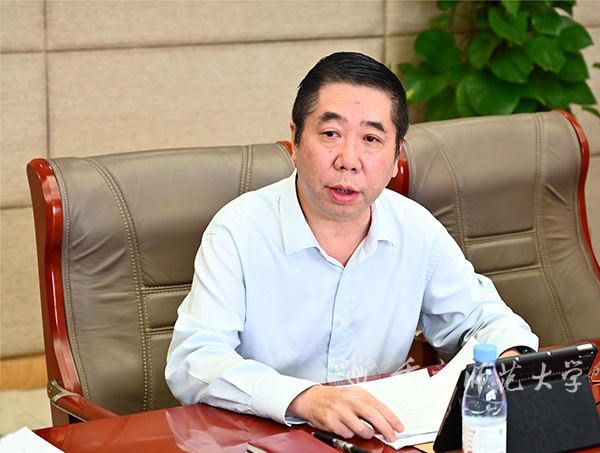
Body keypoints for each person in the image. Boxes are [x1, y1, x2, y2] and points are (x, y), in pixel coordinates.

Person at [165, 51, 538, 443]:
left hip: (376, 439)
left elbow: (484, 319)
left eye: (372, 139)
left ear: (396, 157)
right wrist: (303, 398)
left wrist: (506, 361)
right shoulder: (238, 231)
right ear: (294, 141)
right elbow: (195, 360)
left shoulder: (415, 230)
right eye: (331, 134)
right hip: (264, 439)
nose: (349, 160)